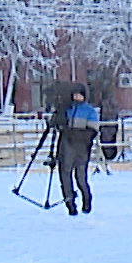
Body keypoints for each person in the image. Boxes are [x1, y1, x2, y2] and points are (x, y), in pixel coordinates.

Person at [54, 88, 100, 216]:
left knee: (80, 177)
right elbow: (58, 124)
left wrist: (74, 134)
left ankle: (86, 198)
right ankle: (70, 204)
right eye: (75, 95)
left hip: (81, 148)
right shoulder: (67, 109)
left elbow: (92, 130)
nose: (77, 97)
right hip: (66, 147)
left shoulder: (89, 111)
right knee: (65, 175)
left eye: (79, 95)